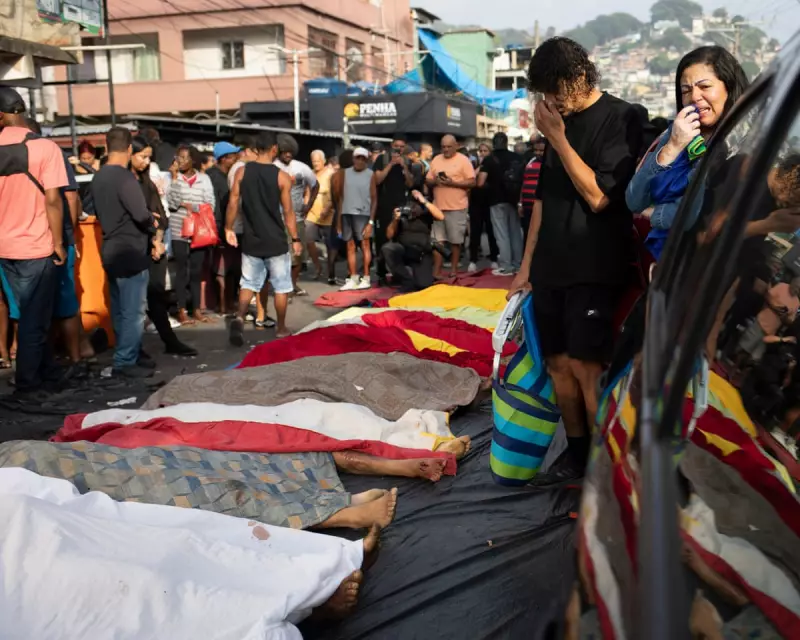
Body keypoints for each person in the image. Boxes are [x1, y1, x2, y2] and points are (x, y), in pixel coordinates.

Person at [509, 37, 642, 481]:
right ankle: (579, 453)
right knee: (558, 366)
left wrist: (559, 140)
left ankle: (607, 465)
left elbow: (601, 197)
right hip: (551, 264)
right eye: (543, 93)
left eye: (555, 91)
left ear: (580, 76)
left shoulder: (624, 117)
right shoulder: (554, 122)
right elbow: (543, 202)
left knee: (588, 368)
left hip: (595, 264)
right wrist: (525, 268)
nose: (550, 102)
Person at [626, 46, 750, 260]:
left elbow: (689, 215)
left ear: (728, 87)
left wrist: (652, 214)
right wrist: (673, 146)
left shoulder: (741, 143)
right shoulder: (677, 133)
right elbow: (634, 200)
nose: (694, 97)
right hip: (673, 267)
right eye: (685, 90)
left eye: (705, 86)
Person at [0, 88, 68, 394]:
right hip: (35, 245)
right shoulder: (45, 148)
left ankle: (46, 371)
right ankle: (29, 382)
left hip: (3, 247)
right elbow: (54, 200)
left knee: (27, 312)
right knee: (34, 317)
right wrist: (58, 241)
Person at [91, 127, 156, 379]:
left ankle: (129, 355)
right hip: (130, 249)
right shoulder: (124, 178)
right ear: (130, 149)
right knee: (134, 312)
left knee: (120, 310)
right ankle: (125, 361)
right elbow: (140, 214)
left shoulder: (99, 177)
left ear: (107, 147)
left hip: (110, 247)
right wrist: (153, 223)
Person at [225, 131, 301, 344]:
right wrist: (295, 239)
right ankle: (282, 327)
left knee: (248, 283)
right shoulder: (281, 176)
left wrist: (228, 228)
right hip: (275, 240)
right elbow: (288, 213)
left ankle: (239, 317)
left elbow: (233, 202)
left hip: (251, 238)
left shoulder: (241, 171)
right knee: (281, 286)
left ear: (256, 148)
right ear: (275, 149)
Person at [129, 136, 197, 358]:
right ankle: (135, 348)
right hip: (135, 248)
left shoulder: (147, 181)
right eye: (142, 156)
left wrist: (157, 240)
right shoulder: (125, 182)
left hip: (154, 246)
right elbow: (143, 216)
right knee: (135, 303)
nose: (147, 162)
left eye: (149, 157)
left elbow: (160, 215)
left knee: (155, 297)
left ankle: (169, 341)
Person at [167, 144, 216, 325]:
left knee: (196, 271)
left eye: (184, 158)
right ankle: (182, 310)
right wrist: (173, 179)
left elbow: (210, 205)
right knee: (182, 271)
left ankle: (196, 309)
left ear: (193, 160)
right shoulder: (173, 178)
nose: (180, 161)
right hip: (178, 230)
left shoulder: (204, 179)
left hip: (199, 231)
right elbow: (172, 204)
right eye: (178, 157)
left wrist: (190, 206)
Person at [273, 134, 319, 297]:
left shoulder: (301, 167)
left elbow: (315, 185)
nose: (288, 155)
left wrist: (308, 206)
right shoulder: (272, 166)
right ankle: (282, 288)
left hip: (297, 219)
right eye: (285, 152)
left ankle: (292, 285)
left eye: (291, 152)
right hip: (277, 220)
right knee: (280, 257)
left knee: (298, 257)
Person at [426, 134, 476, 278]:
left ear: (456, 146)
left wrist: (452, 183)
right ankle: (437, 271)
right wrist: (435, 181)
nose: (446, 149)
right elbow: (428, 181)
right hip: (438, 207)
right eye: (443, 147)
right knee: (437, 241)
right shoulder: (436, 159)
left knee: (455, 241)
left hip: (457, 207)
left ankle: (454, 270)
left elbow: (472, 183)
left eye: (449, 147)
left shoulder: (464, 160)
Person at [477, 132, 525, 274]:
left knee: (502, 234)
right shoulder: (516, 157)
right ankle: (518, 264)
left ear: (493, 143)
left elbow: (480, 183)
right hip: (514, 200)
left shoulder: (489, 159)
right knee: (516, 232)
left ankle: (506, 266)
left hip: (496, 200)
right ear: (506, 142)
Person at [372, 133, 414, 284]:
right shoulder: (381, 160)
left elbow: (410, 184)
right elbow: (377, 180)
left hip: (401, 204)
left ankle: (399, 273)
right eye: (397, 146)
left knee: (401, 239)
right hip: (384, 206)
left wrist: (404, 167)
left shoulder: (407, 161)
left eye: (402, 147)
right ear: (391, 146)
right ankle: (381, 273)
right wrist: (390, 164)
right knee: (382, 239)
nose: (399, 150)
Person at [382, 190, 445, 291]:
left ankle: (413, 275)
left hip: (421, 252)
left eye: (415, 207)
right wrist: (395, 220)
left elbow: (441, 216)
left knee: (424, 284)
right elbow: (389, 235)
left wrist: (423, 201)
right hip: (404, 249)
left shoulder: (426, 214)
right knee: (388, 248)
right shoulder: (402, 214)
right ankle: (406, 278)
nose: (413, 209)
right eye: (411, 206)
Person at [206, 141, 241, 316]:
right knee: (221, 269)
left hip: (228, 227)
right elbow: (215, 207)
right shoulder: (213, 177)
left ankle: (229, 302)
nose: (236, 158)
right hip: (218, 229)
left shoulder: (227, 175)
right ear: (224, 158)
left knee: (232, 268)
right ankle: (222, 305)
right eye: (233, 155)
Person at [337, 147, 377, 291]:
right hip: (347, 213)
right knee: (350, 246)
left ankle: (366, 277)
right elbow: (341, 197)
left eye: (363, 158)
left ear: (366, 160)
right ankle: (353, 277)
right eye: (357, 158)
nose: (360, 161)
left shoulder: (370, 174)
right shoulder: (345, 173)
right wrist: (339, 219)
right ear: (353, 159)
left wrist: (371, 221)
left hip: (363, 214)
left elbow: (374, 199)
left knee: (365, 245)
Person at [467, 142, 499, 273]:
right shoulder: (473, 164)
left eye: (485, 151)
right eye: (481, 151)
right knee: (475, 232)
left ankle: (494, 258)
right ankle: (473, 260)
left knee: (491, 231)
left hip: (489, 201)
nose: (482, 153)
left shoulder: (493, 164)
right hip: (475, 202)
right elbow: (471, 180)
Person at [305, 149, 335, 280]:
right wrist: (305, 207)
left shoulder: (330, 174)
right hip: (311, 213)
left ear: (323, 161)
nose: (315, 164)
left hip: (328, 212)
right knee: (308, 239)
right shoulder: (310, 174)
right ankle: (318, 267)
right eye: (313, 161)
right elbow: (307, 192)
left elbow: (334, 194)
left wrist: (327, 208)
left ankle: (331, 270)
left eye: (317, 161)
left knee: (330, 244)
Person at [329, 149, 355, 287]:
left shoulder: (335, 176)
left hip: (337, 213)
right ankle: (350, 274)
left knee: (333, 245)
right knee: (351, 245)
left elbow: (333, 199)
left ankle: (331, 274)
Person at [520, 136, 546, 244]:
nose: (538, 153)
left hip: (541, 207)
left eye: (541, 150)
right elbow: (523, 182)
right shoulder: (530, 161)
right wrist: (520, 203)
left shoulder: (550, 163)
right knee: (527, 234)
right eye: (536, 150)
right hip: (527, 205)